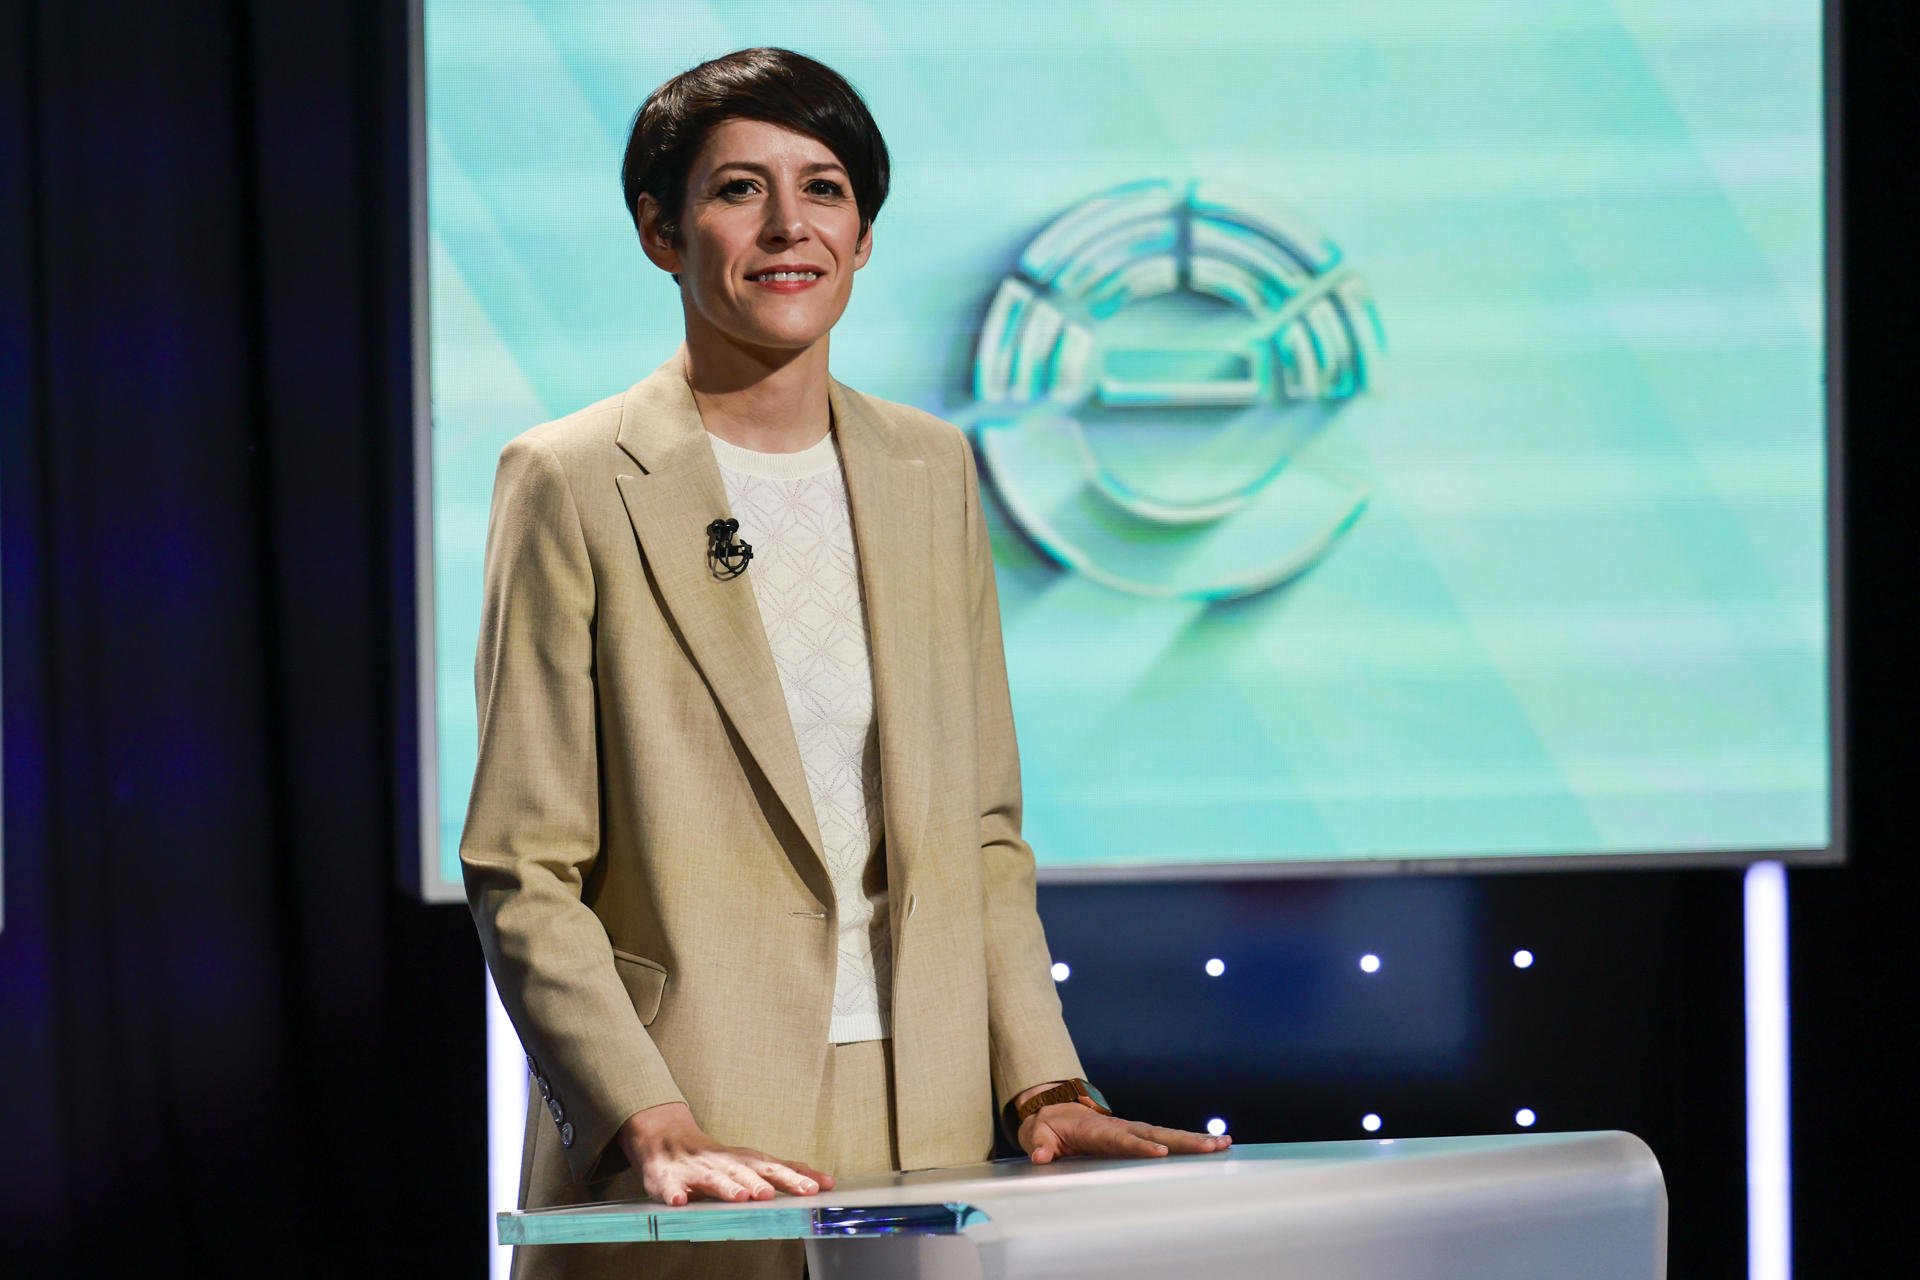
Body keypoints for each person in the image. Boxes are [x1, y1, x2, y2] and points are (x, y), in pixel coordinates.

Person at [460, 46, 1228, 1280]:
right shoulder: (570, 476)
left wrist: (1041, 1078)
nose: (787, 227)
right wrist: (644, 1118)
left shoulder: (930, 467)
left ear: (864, 237)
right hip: (692, 1118)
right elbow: (523, 863)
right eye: (736, 191)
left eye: (823, 189)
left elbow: (982, 827)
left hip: (928, 1113)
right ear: (660, 230)